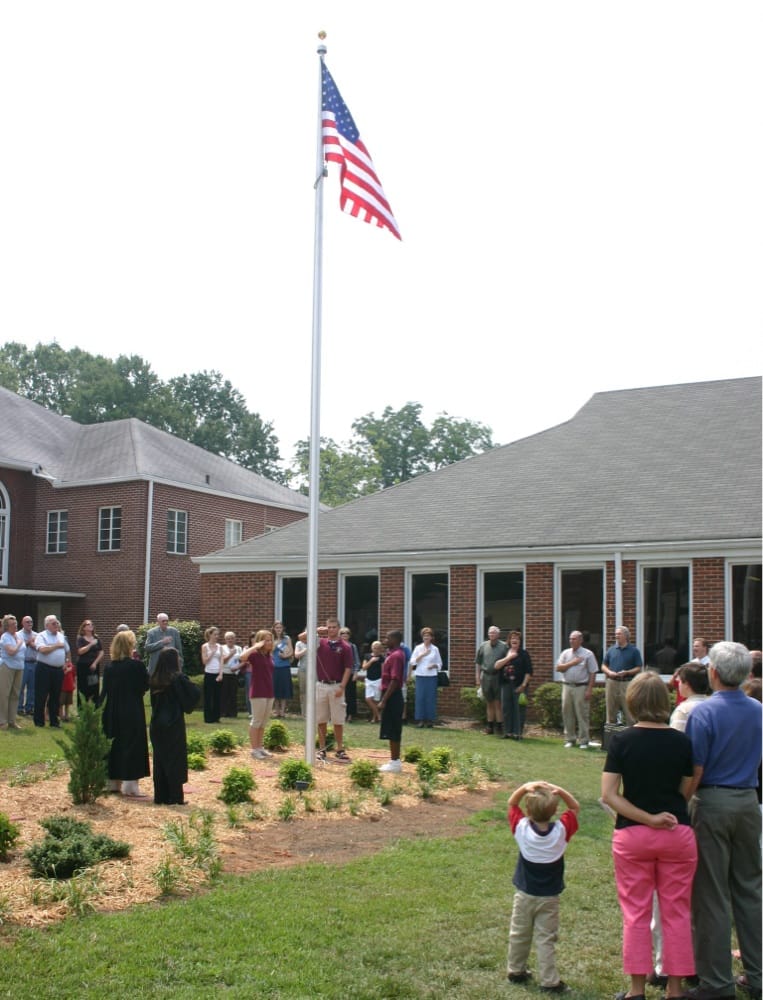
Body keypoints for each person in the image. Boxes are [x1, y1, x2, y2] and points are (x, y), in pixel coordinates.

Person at [601, 671, 697, 1000]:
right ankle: (675, 989)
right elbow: (686, 787)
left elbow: (610, 795)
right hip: (677, 833)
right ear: (664, 701)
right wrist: (662, 816)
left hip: (633, 836)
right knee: (677, 912)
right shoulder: (682, 741)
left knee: (636, 913)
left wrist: (646, 818)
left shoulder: (622, 741)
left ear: (632, 700)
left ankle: (636, 990)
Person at [684, 641, 761, 1000]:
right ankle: (757, 975)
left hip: (713, 801)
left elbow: (695, 770)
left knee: (711, 895)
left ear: (713, 672)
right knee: (750, 891)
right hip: (749, 800)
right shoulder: (758, 710)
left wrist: (681, 805)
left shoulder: (702, 713)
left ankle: (716, 982)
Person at [505, 780, 580, 994]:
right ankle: (549, 981)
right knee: (545, 939)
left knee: (519, 933)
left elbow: (512, 804)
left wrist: (525, 786)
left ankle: (515, 970)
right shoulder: (561, 832)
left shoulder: (521, 829)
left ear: (528, 810)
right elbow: (575, 807)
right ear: (555, 810)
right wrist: (561, 790)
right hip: (550, 897)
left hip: (524, 895)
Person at [100, 628, 150, 798]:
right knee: (132, 744)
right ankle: (130, 785)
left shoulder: (109, 667)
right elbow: (144, 686)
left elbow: (104, 691)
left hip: (112, 711)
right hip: (132, 710)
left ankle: (112, 781)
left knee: (114, 744)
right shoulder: (136, 666)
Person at [149, 647, 200, 805]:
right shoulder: (177, 678)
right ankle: (175, 797)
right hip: (173, 723)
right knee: (175, 760)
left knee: (160, 760)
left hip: (156, 723)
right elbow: (194, 694)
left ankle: (160, 796)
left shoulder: (155, 678)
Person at [315, 618, 354, 761]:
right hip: (321, 685)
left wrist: (342, 686)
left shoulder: (345, 646)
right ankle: (322, 749)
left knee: (338, 720)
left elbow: (348, 668)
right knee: (321, 719)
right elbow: (301, 638)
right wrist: (316, 631)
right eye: (329, 627)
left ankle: (340, 748)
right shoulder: (320, 642)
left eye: (333, 627)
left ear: (338, 628)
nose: (331, 629)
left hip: (337, 685)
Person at [556, 630, 598, 748]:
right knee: (567, 712)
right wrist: (572, 663)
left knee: (582, 714)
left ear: (580, 640)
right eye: (570, 639)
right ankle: (570, 739)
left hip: (581, 687)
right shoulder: (565, 653)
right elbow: (558, 668)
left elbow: (593, 672)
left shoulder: (588, 654)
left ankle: (584, 740)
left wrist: (589, 689)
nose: (571, 641)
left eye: (574, 639)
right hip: (567, 686)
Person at [241, 629, 275, 759]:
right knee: (256, 721)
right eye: (266, 640)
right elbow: (242, 657)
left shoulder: (269, 656)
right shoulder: (255, 655)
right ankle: (254, 749)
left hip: (269, 692)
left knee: (263, 722)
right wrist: (255, 646)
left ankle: (260, 747)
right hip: (258, 692)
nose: (269, 642)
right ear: (260, 641)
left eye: (270, 639)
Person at [34, 615, 70, 728]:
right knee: (42, 695)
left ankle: (54, 721)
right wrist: (56, 646)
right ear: (47, 625)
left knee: (55, 696)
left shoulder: (61, 636)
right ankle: (39, 721)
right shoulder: (41, 636)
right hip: (44, 668)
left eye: (57, 623)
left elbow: (67, 650)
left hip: (58, 670)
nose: (56, 625)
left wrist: (67, 662)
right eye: (54, 623)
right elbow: (42, 650)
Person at [378, 629, 406, 773]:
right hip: (390, 695)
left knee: (394, 729)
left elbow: (395, 680)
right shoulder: (391, 654)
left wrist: (384, 700)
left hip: (393, 696)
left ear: (394, 640)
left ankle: (395, 762)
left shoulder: (396, 656)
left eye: (387, 638)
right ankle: (393, 760)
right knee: (390, 728)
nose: (385, 640)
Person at [602, 625, 643, 725]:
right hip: (612, 683)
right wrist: (609, 672)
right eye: (616, 634)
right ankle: (611, 736)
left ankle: (632, 736)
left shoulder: (634, 651)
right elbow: (603, 665)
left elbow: (639, 667)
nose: (616, 636)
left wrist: (627, 672)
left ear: (626, 636)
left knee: (630, 713)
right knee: (611, 713)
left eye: (619, 634)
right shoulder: (611, 650)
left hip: (627, 683)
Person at [497, 630, 533, 740]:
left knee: (519, 710)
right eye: (512, 638)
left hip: (519, 685)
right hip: (506, 684)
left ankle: (518, 733)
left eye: (517, 639)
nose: (514, 640)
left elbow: (529, 671)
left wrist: (523, 685)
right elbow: (497, 666)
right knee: (506, 708)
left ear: (520, 641)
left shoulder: (524, 654)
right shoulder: (505, 652)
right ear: (509, 641)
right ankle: (508, 732)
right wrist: (509, 657)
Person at [475, 625, 507, 735]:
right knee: (489, 702)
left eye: (494, 633)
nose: (491, 634)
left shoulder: (504, 646)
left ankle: (499, 726)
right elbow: (478, 663)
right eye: (490, 633)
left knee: (498, 702)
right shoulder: (483, 646)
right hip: (486, 676)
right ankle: (489, 727)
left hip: (498, 676)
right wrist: (477, 677)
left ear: (498, 634)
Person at [409, 626, 442, 728]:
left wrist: (434, 665)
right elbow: (412, 661)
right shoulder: (418, 648)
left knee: (430, 698)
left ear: (431, 637)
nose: (426, 638)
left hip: (431, 676)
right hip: (420, 675)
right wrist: (423, 654)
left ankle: (430, 720)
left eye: (428, 636)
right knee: (420, 698)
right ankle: (420, 720)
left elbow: (440, 663)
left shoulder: (435, 649)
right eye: (424, 636)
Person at [0, 614, 25, 730]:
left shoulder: (18, 636)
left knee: (15, 694)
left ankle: (12, 720)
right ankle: (2, 721)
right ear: (7, 626)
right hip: (7, 666)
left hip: (19, 666)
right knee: (4, 694)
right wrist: (19, 643)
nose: (15, 626)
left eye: (15, 623)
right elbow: (11, 651)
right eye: (12, 624)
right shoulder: (5, 637)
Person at [668, 662, 709, 733]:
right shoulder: (713, 706)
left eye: (680, 681)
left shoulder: (683, 710)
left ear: (686, 684)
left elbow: (676, 739)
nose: (678, 684)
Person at [75, 619, 104, 705]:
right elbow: (80, 651)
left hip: (94, 666)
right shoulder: (80, 639)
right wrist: (91, 644)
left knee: (94, 686)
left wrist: (95, 663)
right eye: (88, 624)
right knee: (83, 687)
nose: (90, 625)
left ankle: (95, 708)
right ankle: (82, 708)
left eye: (91, 624)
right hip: (83, 666)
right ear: (83, 628)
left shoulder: (96, 638)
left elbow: (101, 652)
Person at [200, 626, 224, 724]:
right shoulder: (205, 646)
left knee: (217, 696)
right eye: (215, 634)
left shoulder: (220, 647)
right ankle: (208, 718)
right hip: (209, 673)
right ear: (210, 635)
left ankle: (216, 717)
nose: (216, 636)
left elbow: (222, 660)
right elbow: (204, 661)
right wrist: (212, 653)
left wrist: (221, 674)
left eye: (217, 634)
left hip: (217, 674)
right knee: (208, 696)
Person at [271, 621, 294, 718]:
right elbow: (269, 653)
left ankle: (283, 711)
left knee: (284, 689)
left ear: (283, 628)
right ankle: (276, 711)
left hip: (285, 666)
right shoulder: (271, 639)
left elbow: (291, 652)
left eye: (280, 627)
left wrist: (285, 656)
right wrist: (275, 646)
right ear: (274, 629)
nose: (278, 629)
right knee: (275, 689)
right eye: (277, 628)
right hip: (274, 667)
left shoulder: (287, 638)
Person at [16, 615, 37, 717]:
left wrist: (34, 644)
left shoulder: (36, 635)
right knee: (20, 686)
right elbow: (18, 646)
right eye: (27, 622)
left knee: (32, 687)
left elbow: (39, 647)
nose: (30, 624)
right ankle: (19, 708)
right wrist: (28, 642)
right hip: (23, 662)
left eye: (31, 622)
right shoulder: (18, 634)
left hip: (34, 662)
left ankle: (29, 707)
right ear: (22, 623)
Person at [339, 627, 361, 722]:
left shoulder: (352, 646)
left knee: (350, 695)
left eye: (347, 633)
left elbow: (356, 661)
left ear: (349, 635)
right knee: (340, 695)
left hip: (350, 673)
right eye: (342, 633)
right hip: (339, 674)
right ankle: (340, 714)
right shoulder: (337, 646)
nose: (345, 635)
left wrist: (356, 672)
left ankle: (350, 715)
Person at [220, 631, 242, 718]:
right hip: (225, 673)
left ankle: (233, 713)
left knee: (233, 694)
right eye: (228, 638)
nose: (230, 640)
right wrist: (231, 654)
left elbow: (242, 660)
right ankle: (223, 712)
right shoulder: (222, 648)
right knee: (224, 694)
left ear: (235, 639)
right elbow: (223, 661)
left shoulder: (239, 648)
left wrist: (237, 667)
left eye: (232, 638)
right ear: (225, 639)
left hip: (234, 674)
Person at [363, 640, 384, 723]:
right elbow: (364, 667)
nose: (376, 650)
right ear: (372, 648)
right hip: (369, 680)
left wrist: (383, 681)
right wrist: (371, 661)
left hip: (378, 680)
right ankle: (379, 716)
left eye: (378, 648)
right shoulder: (367, 656)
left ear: (381, 649)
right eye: (375, 648)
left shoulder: (382, 658)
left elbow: (383, 670)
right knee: (368, 699)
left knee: (376, 700)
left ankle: (374, 718)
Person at [293, 629, 308, 716]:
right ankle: (304, 712)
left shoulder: (316, 642)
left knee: (315, 691)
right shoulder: (299, 643)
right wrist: (306, 649)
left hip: (315, 671)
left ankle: (314, 712)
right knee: (303, 692)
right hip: (302, 670)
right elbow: (297, 655)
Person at [60, 655, 75, 721]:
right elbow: (61, 674)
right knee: (61, 702)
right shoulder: (61, 666)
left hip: (70, 687)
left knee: (67, 703)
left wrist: (74, 684)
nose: (67, 659)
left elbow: (74, 676)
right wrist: (66, 670)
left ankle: (67, 715)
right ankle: (61, 715)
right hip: (63, 687)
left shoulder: (72, 666)